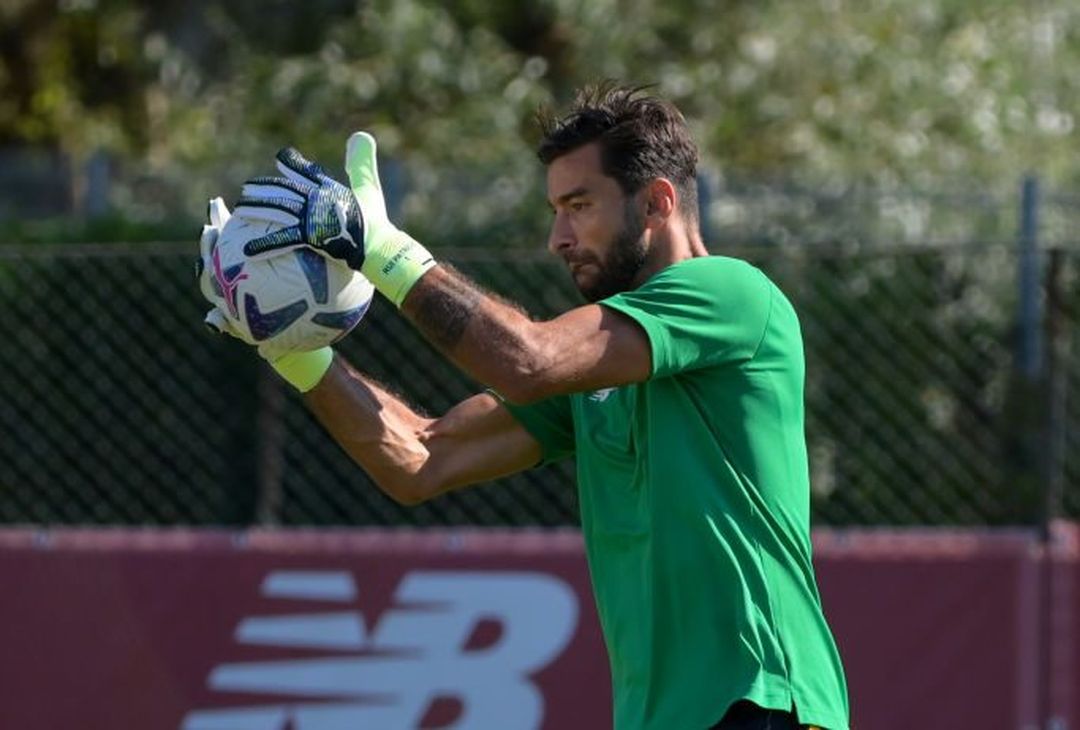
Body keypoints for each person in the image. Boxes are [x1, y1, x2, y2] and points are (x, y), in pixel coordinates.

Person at [208, 83, 849, 730]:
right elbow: (421, 458)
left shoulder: (729, 292)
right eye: (554, 210)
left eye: (578, 206)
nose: (558, 237)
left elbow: (527, 360)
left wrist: (383, 251)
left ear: (657, 202)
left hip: (763, 701)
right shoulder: (602, 374)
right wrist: (289, 350)